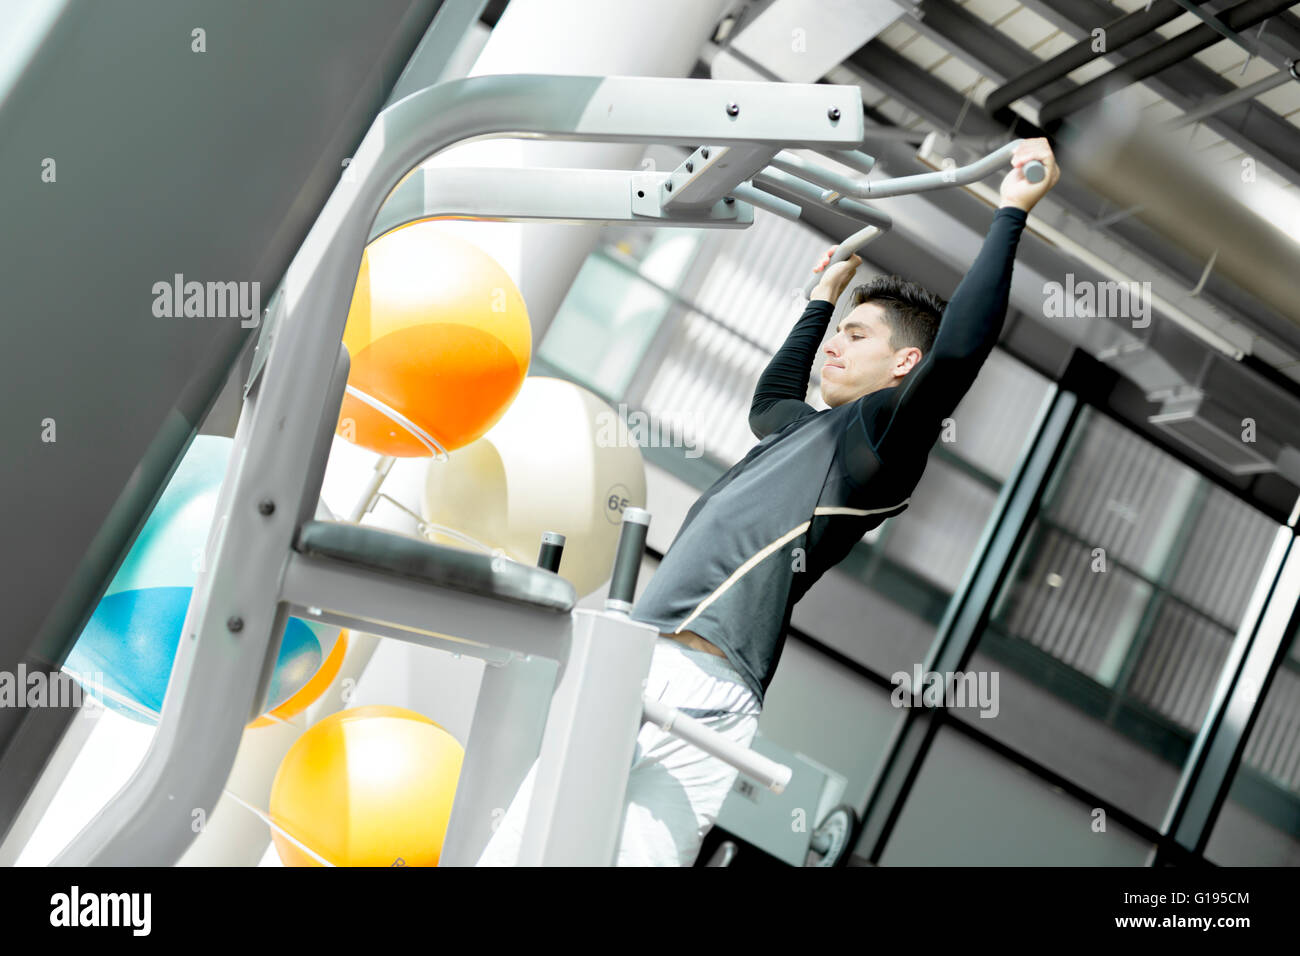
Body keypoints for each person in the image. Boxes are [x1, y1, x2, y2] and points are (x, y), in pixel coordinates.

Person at [477, 138, 1061, 867]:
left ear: (902, 365)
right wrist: (821, 301)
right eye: (836, 337)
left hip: (718, 692)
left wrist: (1011, 211)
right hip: (647, 657)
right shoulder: (806, 430)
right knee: (526, 847)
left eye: (855, 335)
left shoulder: (873, 444)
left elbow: (958, 355)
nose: (833, 349)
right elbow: (769, 402)